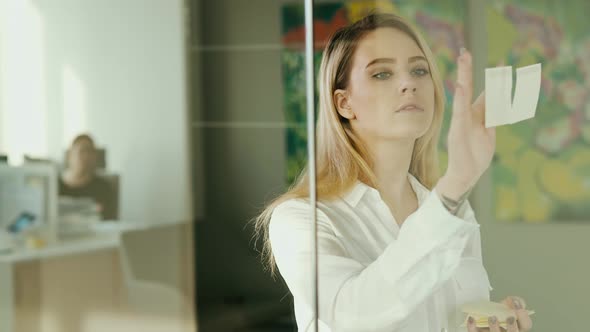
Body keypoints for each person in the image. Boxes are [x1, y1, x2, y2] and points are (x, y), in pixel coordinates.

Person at [254, 13, 533, 332]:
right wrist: (454, 186)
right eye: (382, 73)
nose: (408, 83)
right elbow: (354, 315)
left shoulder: (456, 212)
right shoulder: (301, 218)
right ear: (344, 104)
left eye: (419, 70)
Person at [59, 134, 116, 220]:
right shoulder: (54, 186)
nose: (86, 157)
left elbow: (109, 221)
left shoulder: (103, 188)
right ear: (70, 156)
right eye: (82, 151)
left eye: (90, 152)